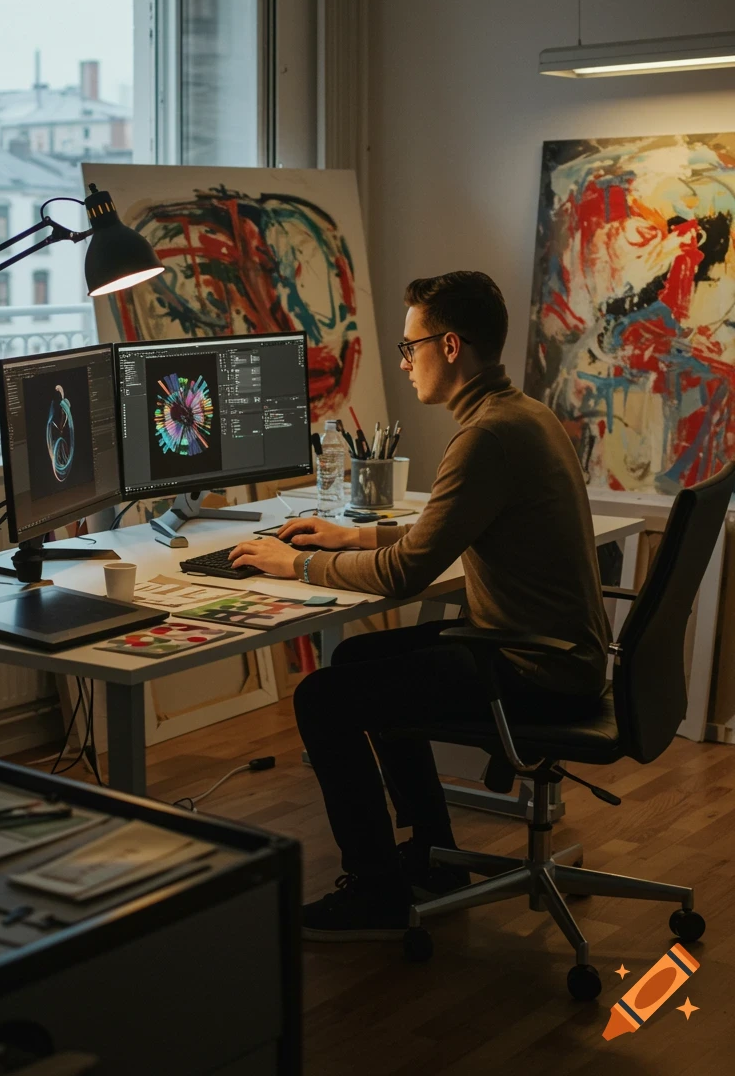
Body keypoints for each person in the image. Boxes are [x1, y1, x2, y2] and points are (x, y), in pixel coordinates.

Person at [228, 272, 610, 940]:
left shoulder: (486, 437)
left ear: (451, 345)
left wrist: (298, 564)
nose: (404, 363)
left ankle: (376, 891)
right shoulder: (519, 416)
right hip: (556, 656)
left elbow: (407, 574)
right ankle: (432, 854)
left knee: (322, 697)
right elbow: (443, 532)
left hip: (530, 670)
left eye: (411, 347)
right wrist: (350, 535)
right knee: (356, 657)